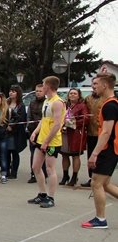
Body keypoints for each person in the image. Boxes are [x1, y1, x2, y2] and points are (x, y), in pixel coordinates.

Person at [82, 73, 118, 229]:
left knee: (96, 183)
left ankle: (100, 219)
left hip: (108, 149)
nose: (93, 87)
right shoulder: (111, 103)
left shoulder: (110, 105)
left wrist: (94, 154)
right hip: (110, 148)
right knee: (105, 184)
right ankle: (100, 218)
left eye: (96, 84)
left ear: (105, 85)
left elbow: (106, 132)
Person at [28, 76, 66, 208]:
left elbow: (57, 125)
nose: (41, 87)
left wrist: (47, 141)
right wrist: (35, 132)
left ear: (48, 86)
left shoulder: (58, 102)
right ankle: (42, 194)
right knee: (36, 167)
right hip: (41, 138)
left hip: (52, 141)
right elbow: (44, 120)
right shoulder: (47, 101)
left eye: (43, 85)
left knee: (50, 169)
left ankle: (51, 197)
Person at [82, 75, 110, 187]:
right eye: (92, 84)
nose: (94, 87)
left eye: (95, 84)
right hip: (90, 131)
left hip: (102, 132)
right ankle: (91, 177)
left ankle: (101, 178)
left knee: (99, 156)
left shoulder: (106, 99)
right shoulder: (88, 98)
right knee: (90, 155)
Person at [59, 88, 88, 187]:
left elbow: (86, 119)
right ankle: (65, 175)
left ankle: (74, 177)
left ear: (79, 95)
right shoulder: (65, 105)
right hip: (64, 133)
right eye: (71, 93)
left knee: (75, 155)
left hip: (76, 134)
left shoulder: (82, 106)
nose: (72, 95)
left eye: (75, 93)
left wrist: (72, 122)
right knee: (64, 155)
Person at [6, 85, 28, 179]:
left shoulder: (21, 105)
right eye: (10, 91)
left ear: (18, 93)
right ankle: (6, 171)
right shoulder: (6, 103)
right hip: (5, 132)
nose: (11, 93)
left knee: (15, 152)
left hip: (16, 133)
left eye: (14, 91)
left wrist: (12, 126)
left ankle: (14, 172)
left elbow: (21, 119)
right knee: (6, 152)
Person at [27, 84, 45, 183]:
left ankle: (44, 173)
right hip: (32, 131)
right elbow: (29, 117)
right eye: (36, 91)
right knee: (33, 154)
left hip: (44, 132)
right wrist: (29, 130)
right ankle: (33, 174)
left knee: (44, 154)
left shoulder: (47, 103)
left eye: (40, 91)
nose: (38, 93)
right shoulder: (32, 103)